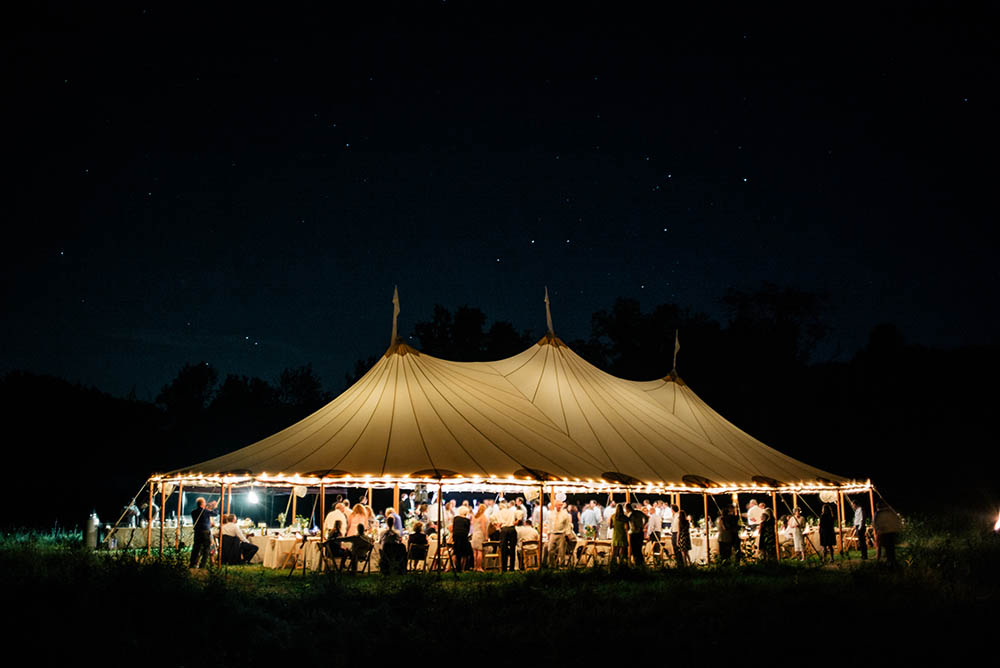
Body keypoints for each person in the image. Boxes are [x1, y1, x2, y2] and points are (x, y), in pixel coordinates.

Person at [189, 497, 218, 568]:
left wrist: (208, 506)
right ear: (202, 504)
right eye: (204, 502)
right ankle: (203, 564)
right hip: (205, 532)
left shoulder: (193, 512)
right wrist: (215, 507)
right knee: (206, 548)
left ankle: (192, 563)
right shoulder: (205, 511)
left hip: (197, 532)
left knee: (196, 548)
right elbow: (215, 514)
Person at [872, 502, 902, 566]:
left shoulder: (878, 513)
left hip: (883, 532)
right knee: (891, 547)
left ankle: (888, 561)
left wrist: (877, 529)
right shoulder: (890, 512)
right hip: (891, 531)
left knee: (886, 547)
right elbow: (896, 520)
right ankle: (892, 560)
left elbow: (874, 523)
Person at [548, 501, 574, 567]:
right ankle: (552, 564)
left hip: (561, 533)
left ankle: (561, 565)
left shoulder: (565, 514)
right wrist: (549, 533)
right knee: (550, 550)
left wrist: (568, 534)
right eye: (557, 505)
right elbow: (550, 524)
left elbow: (567, 525)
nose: (558, 506)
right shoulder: (552, 513)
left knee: (561, 551)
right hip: (553, 533)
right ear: (555, 505)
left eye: (560, 505)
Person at [450, 506, 473, 572]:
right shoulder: (467, 520)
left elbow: (454, 528)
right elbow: (468, 530)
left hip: (456, 537)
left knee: (457, 553)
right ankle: (465, 567)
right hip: (464, 537)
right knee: (466, 552)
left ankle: (457, 567)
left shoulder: (455, 519)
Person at [497, 501, 518, 572]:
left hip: (504, 529)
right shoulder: (511, 511)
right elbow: (517, 517)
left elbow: (498, 522)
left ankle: (504, 568)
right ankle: (512, 567)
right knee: (512, 548)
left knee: (503, 549)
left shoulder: (499, 512)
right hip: (512, 529)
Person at [470, 503, 489, 571]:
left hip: (474, 535)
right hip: (480, 535)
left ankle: (475, 567)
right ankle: (479, 567)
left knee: (475, 552)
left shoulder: (475, 516)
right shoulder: (483, 516)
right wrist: (486, 536)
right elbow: (483, 528)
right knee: (480, 551)